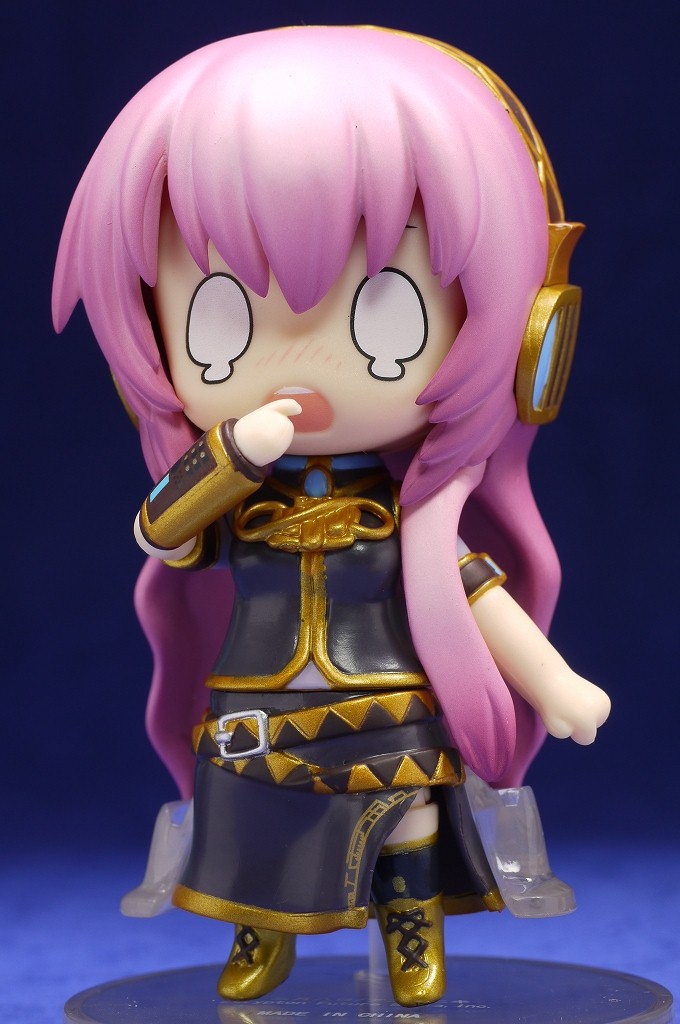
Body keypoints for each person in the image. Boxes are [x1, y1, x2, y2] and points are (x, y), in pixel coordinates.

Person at [53, 26, 610, 1006]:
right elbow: (161, 532)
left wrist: (552, 681)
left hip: (387, 696)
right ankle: (259, 934)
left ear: (524, 336)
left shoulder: (411, 517)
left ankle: (410, 930)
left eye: (385, 312)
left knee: (407, 819)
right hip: (255, 698)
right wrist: (232, 455)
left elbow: (471, 592)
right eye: (218, 318)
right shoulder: (233, 491)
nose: (300, 356)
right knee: (249, 830)